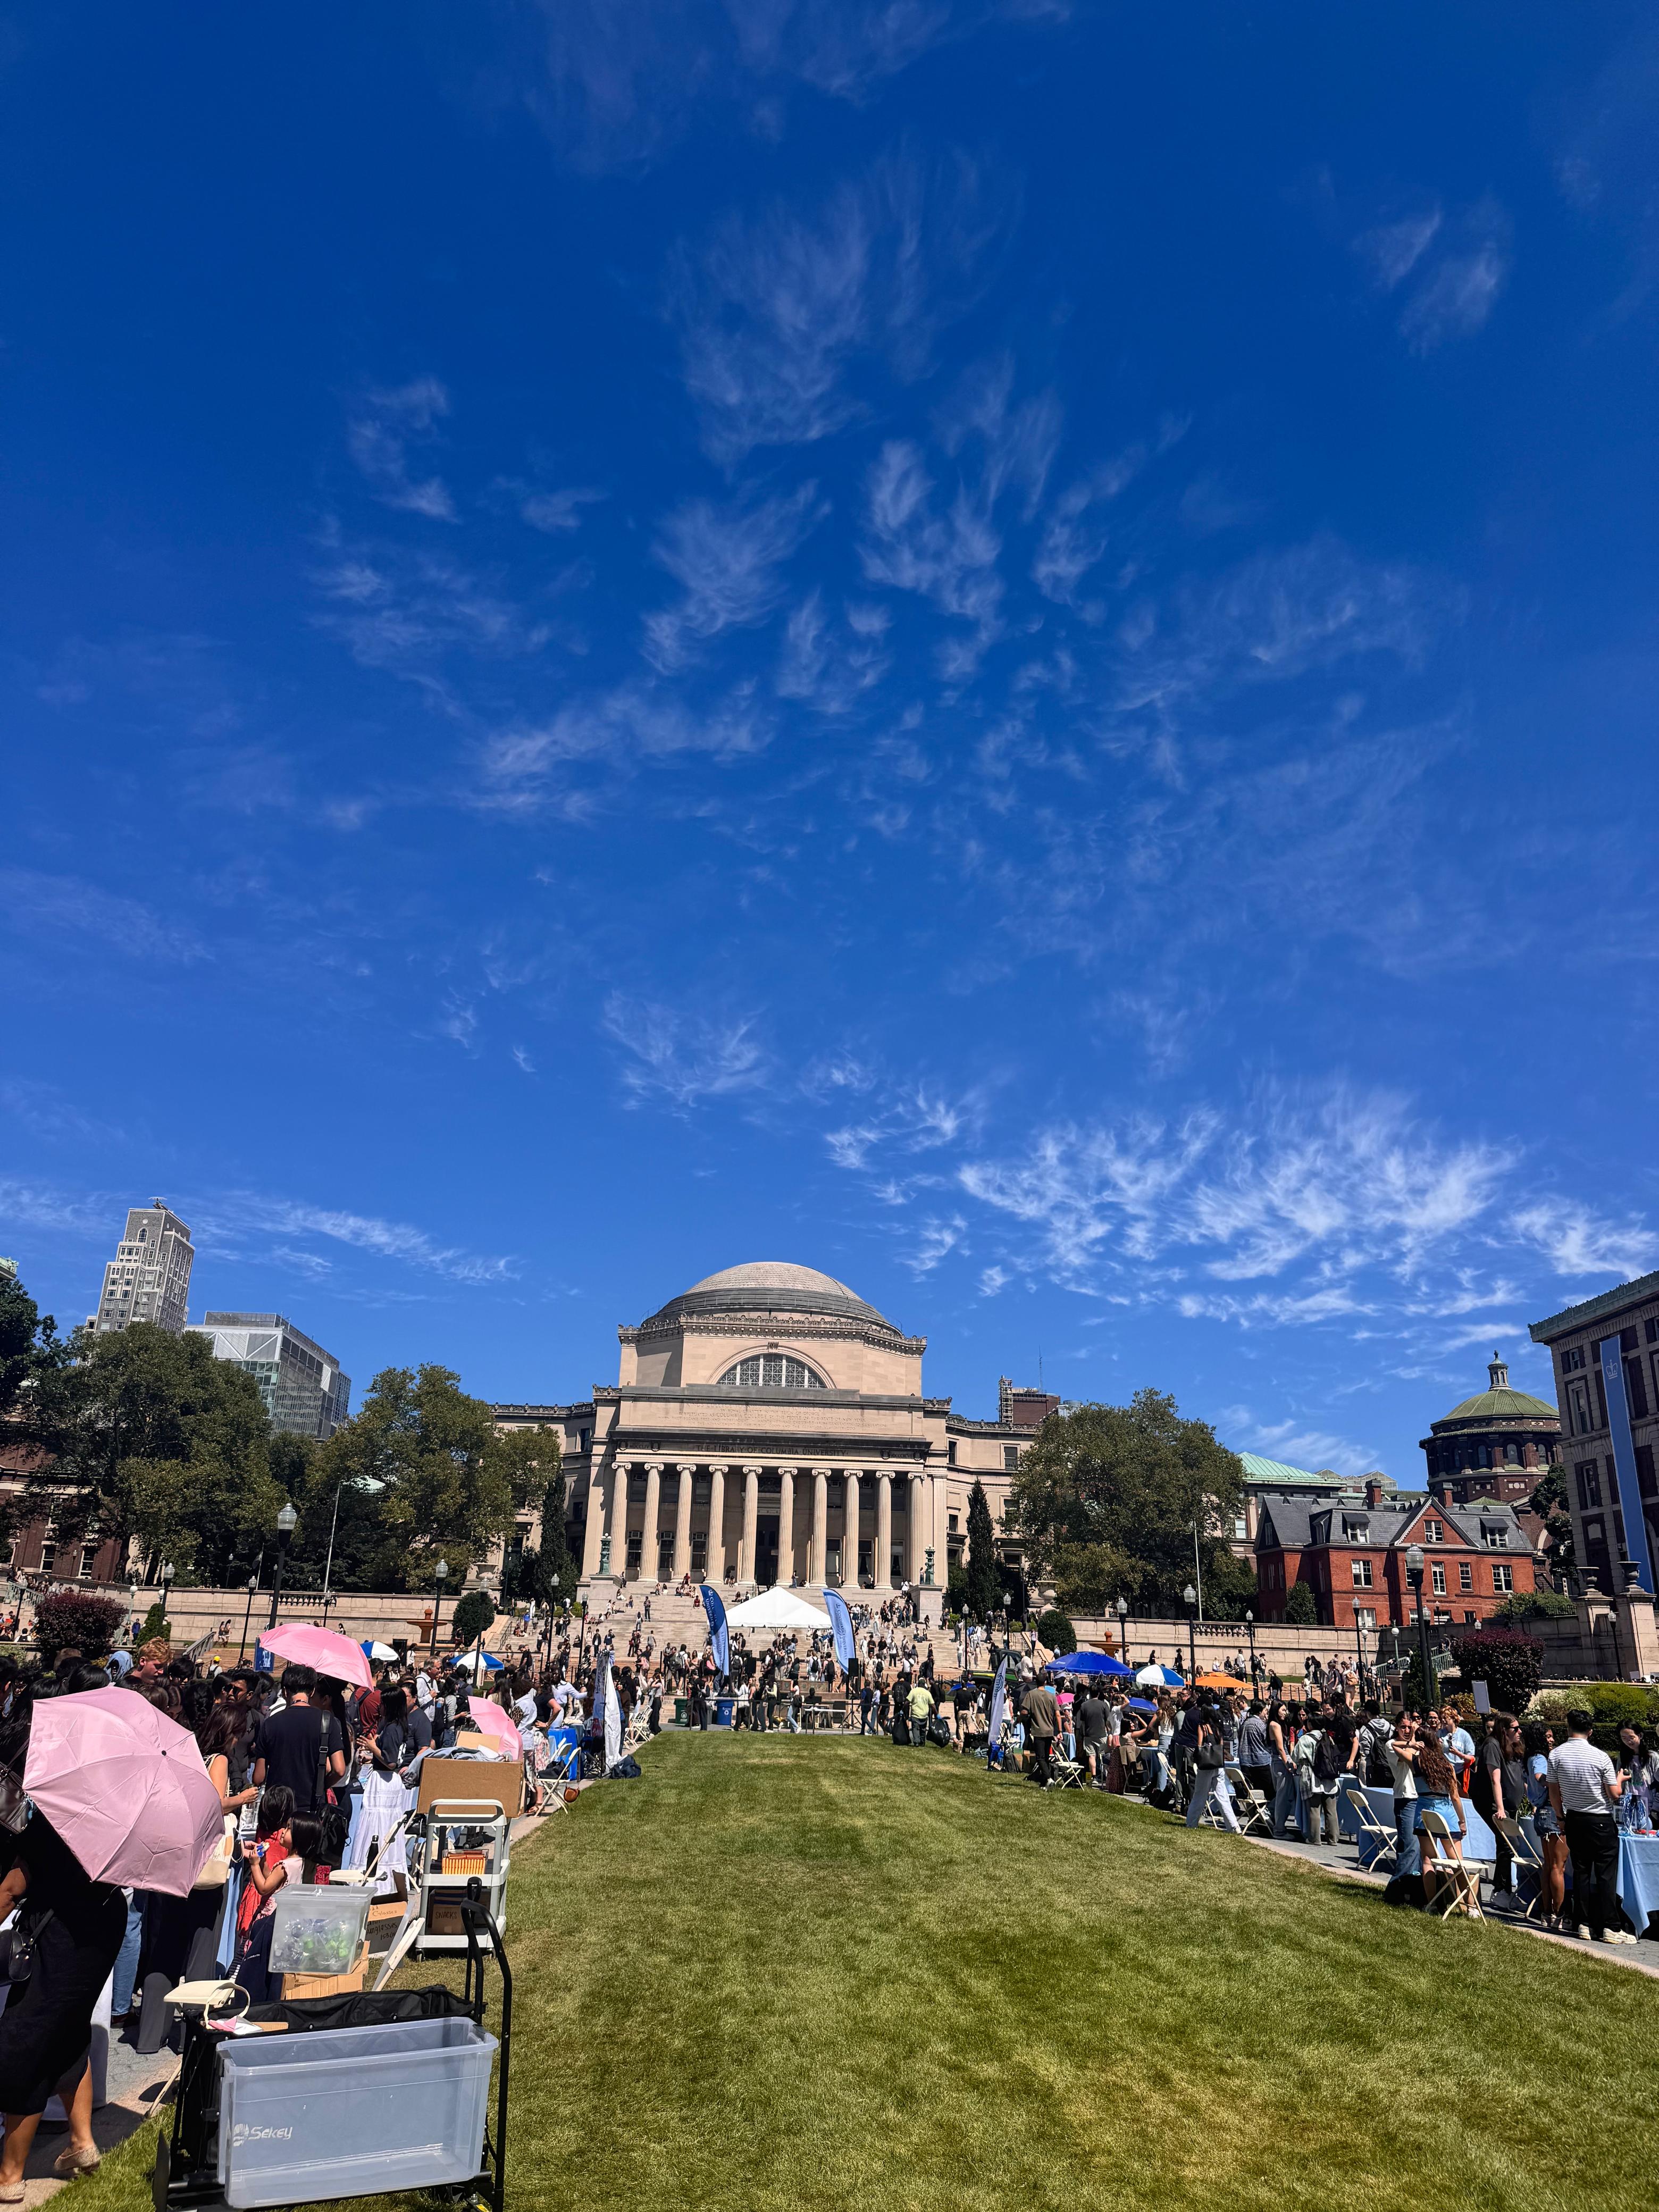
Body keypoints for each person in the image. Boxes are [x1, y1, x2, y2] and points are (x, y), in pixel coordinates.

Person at [0, 1699, 128, 2192]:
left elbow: (12, 1888)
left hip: (59, 1937)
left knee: (25, 2043)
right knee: (68, 2031)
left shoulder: (54, 1819)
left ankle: (10, 2175)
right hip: (102, 1925)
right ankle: (81, 2141)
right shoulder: (112, 1809)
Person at [1549, 1708, 1629, 1943]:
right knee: (1605, 1875)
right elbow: (1614, 1794)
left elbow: (1554, 1792)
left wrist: (1560, 1817)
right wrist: (1620, 1780)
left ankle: (1583, 1923)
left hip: (1574, 1817)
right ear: (1591, 1731)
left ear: (1568, 1728)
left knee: (1581, 1872)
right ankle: (1611, 1926)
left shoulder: (1556, 1755)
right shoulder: (1600, 1757)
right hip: (1600, 1819)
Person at [252, 1665, 346, 1816]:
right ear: (312, 1691)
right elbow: (340, 1770)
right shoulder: (327, 1721)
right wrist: (321, 1785)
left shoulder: (270, 1723)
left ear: (285, 1691)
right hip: (312, 1807)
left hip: (277, 1807)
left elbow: (259, 1777)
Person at [1413, 1736, 1472, 1914]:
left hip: (1424, 1815)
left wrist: (1412, 1745)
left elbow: (1395, 1746)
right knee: (1457, 1862)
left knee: (1428, 1860)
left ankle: (1431, 1904)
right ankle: (1471, 1906)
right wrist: (1462, 1821)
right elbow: (1455, 1797)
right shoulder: (1447, 1766)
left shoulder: (1416, 1763)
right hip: (1447, 1817)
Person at [1472, 1714, 1527, 1904]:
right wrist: (1501, 1809)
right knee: (1510, 1844)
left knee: (1506, 1844)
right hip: (1492, 1803)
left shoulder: (1514, 1746)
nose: (1519, 1731)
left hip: (1509, 1805)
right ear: (1504, 1730)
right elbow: (1495, 1779)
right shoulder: (1492, 1745)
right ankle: (1500, 1891)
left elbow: (1519, 1776)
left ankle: (1504, 1891)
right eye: (1515, 1729)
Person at [1521, 1721, 1568, 1928]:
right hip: (1551, 1812)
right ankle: (1558, 1914)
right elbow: (1541, 1778)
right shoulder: (1540, 1758)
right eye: (1548, 1736)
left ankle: (1547, 1912)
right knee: (1558, 1867)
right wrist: (1560, 1781)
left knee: (1549, 1866)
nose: (1552, 1740)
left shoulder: (1531, 1758)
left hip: (1541, 1813)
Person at [1185, 1704, 1239, 1832]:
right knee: (1223, 1797)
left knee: (1200, 1795)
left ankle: (1191, 1823)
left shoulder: (1202, 1727)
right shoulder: (1218, 1728)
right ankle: (1234, 1826)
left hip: (1206, 1765)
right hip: (1218, 1765)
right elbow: (1221, 1746)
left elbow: (1200, 1745)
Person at [1021, 1678, 1058, 1786]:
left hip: (1038, 1730)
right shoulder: (1052, 1696)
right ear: (1045, 1683)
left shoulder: (1031, 1694)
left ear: (1036, 1682)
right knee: (1046, 1757)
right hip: (1050, 1731)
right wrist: (1059, 1730)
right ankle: (1043, 1782)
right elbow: (1057, 1713)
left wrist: (1020, 1719)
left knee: (1040, 1758)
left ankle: (1048, 1778)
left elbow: (1025, 1711)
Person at [907, 1676, 935, 1748]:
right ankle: (922, 1742)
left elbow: (908, 1701)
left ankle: (916, 1742)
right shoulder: (927, 1693)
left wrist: (904, 1708)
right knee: (923, 1729)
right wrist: (937, 1714)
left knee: (916, 1729)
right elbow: (932, 1704)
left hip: (915, 1713)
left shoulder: (913, 1691)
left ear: (918, 1684)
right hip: (924, 1714)